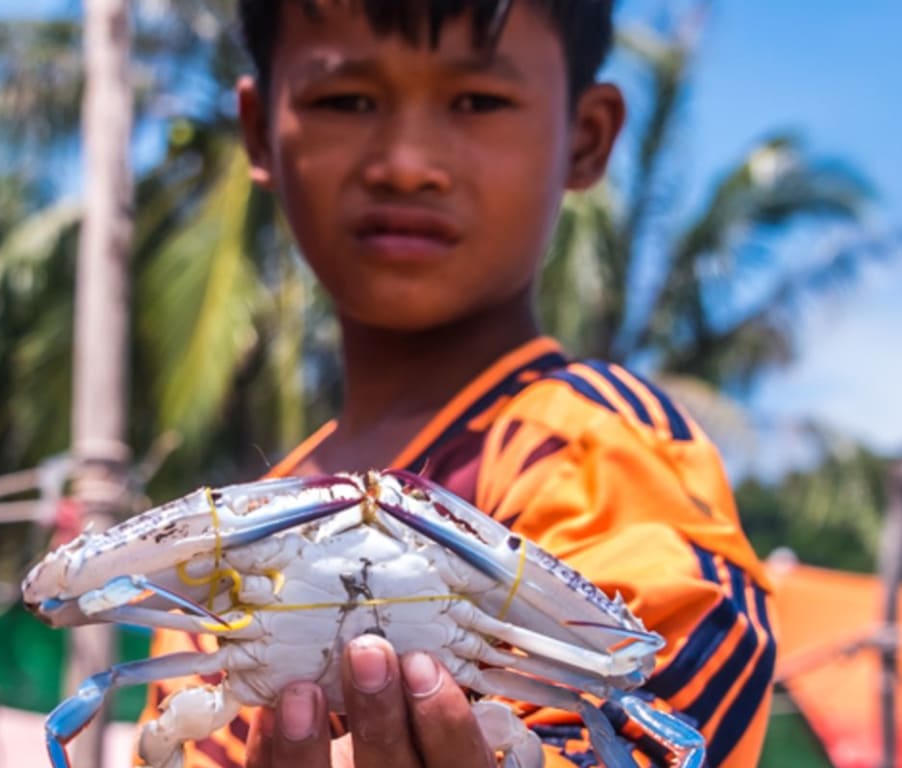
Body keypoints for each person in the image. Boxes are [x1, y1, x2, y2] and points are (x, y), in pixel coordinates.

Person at [141, 1, 776, 765]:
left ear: (587, 136)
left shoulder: (602, 457)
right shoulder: (210, 579)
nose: (407, 162)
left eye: (478, 100)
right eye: (347, 100)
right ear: (259, 129)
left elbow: (658, 715)